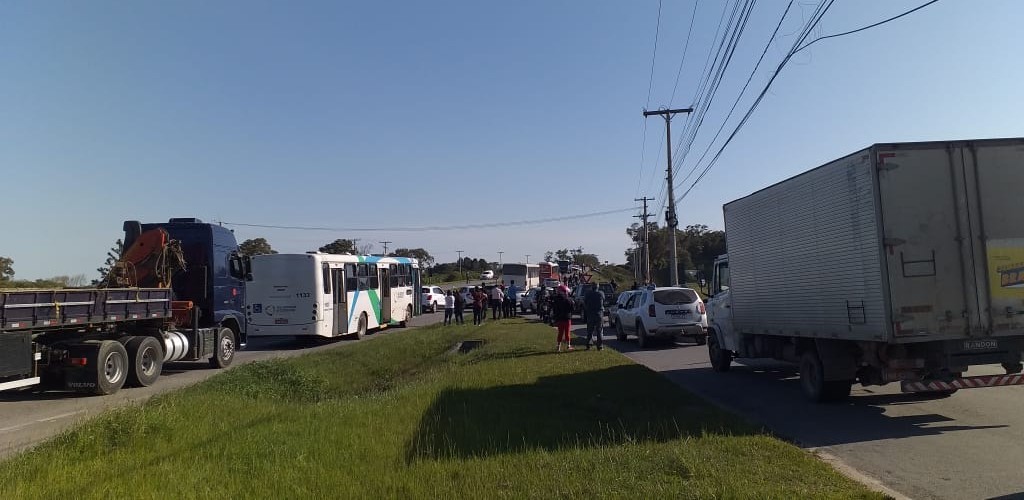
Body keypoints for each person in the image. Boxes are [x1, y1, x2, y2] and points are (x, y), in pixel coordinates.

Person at [582, 285, 606, 350]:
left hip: (590, 314)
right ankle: (600, 346)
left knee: (590, 330)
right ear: (597, 287)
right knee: (599, 330)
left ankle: (589, 345)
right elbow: (604, 300)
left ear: (591, 288)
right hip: (599, 314)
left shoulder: (588, 294)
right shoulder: (601, 293)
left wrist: (587, 309)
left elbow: (584, 302)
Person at [552, 286, 575, 352]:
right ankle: (568, 345)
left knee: (560, 333)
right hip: (567, 318)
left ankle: (558, 347)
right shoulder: (568, 299)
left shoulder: (556, 300)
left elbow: (555, 310)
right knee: (567, 332)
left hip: (559, 319)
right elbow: (573, 308)